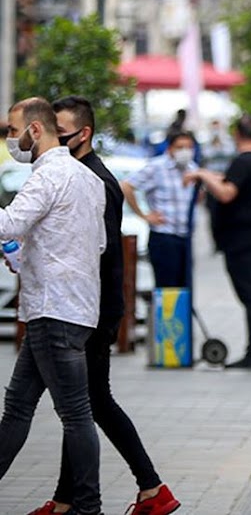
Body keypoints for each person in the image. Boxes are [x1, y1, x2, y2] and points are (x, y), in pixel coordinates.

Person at [29, 97, 181, 515]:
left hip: (92, 309)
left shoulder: (96, 180)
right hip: (86, 307)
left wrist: (96, 314)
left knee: (90, 403)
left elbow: (102, 253)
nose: (53, 141)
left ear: (84, 134)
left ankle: (150, 488)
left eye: (61, 133)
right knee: (81, 403)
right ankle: (71, 499)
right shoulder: (78, 174)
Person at [0, 97, 106, 515]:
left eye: (12, 131)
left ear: (35, 130)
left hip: (52, 310)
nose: (11, 139)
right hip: (75, 309)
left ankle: (88, 507)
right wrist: (21, 254)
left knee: (75, 414)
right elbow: (92, 243)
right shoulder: (87, 179)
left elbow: (9, 223)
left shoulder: (47, 176)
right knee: (19, 407)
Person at [184, 114, 251, 370]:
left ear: (237, 134)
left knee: (250, 297)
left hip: (242, 240)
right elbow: (229, 182)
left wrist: (202, 176)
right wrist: (207, 174)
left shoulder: (242, 162)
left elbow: (226, 193)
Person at [121, 130, 198, 288]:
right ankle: (168, 314)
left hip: (185, 236)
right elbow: (127, 186)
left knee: (185, 288)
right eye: (180, 147)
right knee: (167, 289)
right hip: (164, 236)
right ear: (170, 148)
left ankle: (183, 314)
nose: (185, 151)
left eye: (189, 147)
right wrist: (144, 215)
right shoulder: (157, 167)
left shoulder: (192, 168)